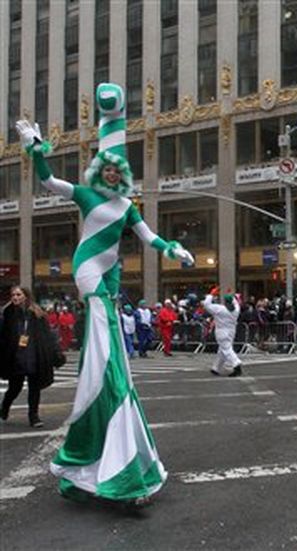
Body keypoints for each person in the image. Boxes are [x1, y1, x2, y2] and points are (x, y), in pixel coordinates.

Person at [16, 83, 194, 503]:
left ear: (124, 173)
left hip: (111, 281)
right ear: (99, 171)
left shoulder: (128, 206)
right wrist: (36, 151)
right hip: (89, 275)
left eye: (118, 169)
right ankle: (113, 458)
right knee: (109, 364)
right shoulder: (85, 193)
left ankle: (89, 459)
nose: (112, 173)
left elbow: (150, 238)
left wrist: (174, 248)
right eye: (107, 168)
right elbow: (49, 182)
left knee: (108, 362)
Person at [0, 286, 63, 428]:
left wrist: (55, 353)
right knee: (14, 387)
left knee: (34, 388)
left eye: (18, 294)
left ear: (26, 296)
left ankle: (33, 416)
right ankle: (4, 406)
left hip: (33, 354)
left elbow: (47, 335)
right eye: (13, 295)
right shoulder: (7, 313)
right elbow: (3, 336)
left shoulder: (37, 313)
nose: (15, 297)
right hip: (16, 355)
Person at [204, 288, 242, 377]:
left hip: (221, 331)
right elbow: (236, 303)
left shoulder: (220, 309)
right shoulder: (236, 310)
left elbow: (206, 304)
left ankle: (236, 364)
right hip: (231, 331)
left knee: (226, 349)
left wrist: (211, 294)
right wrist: (231, 295)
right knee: (222, 350)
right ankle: (216, 368)